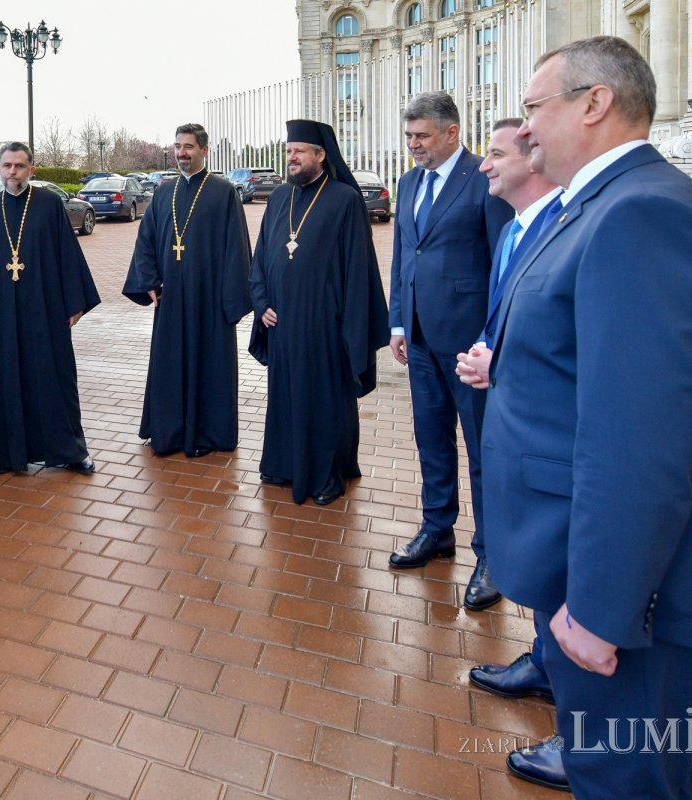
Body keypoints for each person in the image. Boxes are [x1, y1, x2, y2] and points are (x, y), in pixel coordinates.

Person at [483, 36, 692, 797]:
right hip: (603, 571)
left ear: (595, 102)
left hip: (637, 598)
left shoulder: (642, 214)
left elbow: (640, 440)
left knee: (628, 781)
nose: (525, 128)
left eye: (533, 107)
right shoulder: (605, 206)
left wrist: (602, 610)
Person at [455, 117, 566, 788]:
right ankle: (546, 662)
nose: (484, 165)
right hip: (516, 419)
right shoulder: (515, 231)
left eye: (495, 154)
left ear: (533, 159)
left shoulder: (565, 225)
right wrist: (488, 353)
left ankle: (581, 720)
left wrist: (502, 363)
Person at [386, 91, 513, 616]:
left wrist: (491, 339)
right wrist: (398, 321)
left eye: (422, 136)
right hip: (418, 339)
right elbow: (403, 256)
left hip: (469, 347)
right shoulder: (409, 182)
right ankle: (437, 529)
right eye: (409, 136)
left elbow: (504, 263)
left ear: (452, 132)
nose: (413, 145)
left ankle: (492, 556)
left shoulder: (483, 179)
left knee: (483, 450)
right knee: (432, 441)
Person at [248, 119, 388, 506]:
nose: (291, 158)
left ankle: (327, 474)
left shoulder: (345, 200)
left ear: (321, 155)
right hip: (281, 322)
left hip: (326, 325)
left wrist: (351, 326)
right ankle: (282, 464)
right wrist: (261, 303)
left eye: (299, 151)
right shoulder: (280, 197)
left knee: (325, 401)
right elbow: (261, 258)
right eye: (289, 151)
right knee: (284, 396)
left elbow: (358, 269)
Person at [0, 142, 100, 479]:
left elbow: (67, 253)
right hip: (0, 314)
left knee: (54, 378)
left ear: (31, 170)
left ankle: (70, 451)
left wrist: (74, 302)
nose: (13, 172)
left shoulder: (49, 204)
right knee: (3, 378)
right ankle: (4, 453)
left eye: (20, 166)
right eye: (7, 165)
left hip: (44, 308)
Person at [123, 123, 251, 458]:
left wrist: (230, 300)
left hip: (209, 300)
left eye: (189, 147)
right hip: (170, 297)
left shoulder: (224, 192)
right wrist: (149, 281)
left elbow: (237, 247)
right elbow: (146, 240)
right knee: (170, 364)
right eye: (178, 146)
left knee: (209, 365)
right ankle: (168, 430)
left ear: (204, 150)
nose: (182, 152)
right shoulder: (164, 192)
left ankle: (207, 433)